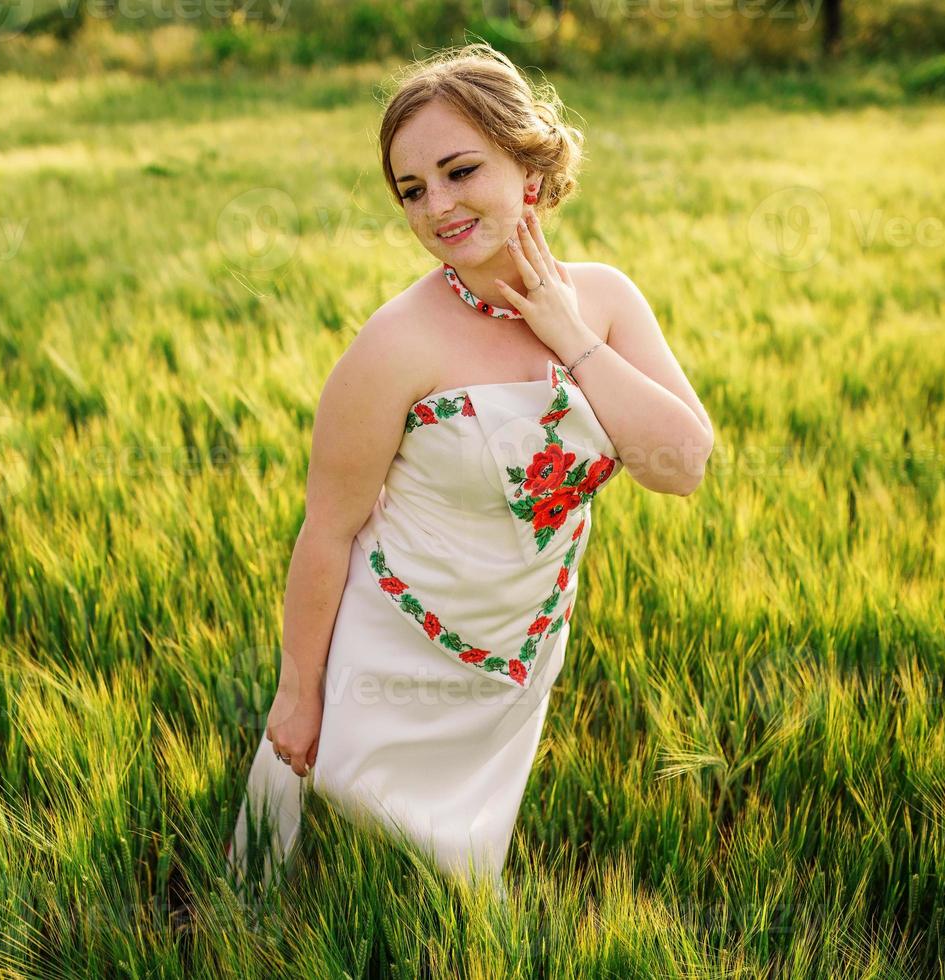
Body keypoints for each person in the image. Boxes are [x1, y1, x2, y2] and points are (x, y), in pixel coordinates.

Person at [225, 42, 715, 902]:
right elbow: (328, 528)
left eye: (460, 171)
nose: (437, 206)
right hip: (395, 648)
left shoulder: (605, 300)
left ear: (528, 167)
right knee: (327, 866)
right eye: (412, 190)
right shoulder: (392, 347)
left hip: (522, 642)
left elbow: (680, 465)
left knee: (452, 878)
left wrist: (572, 337)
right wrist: (298, 694)